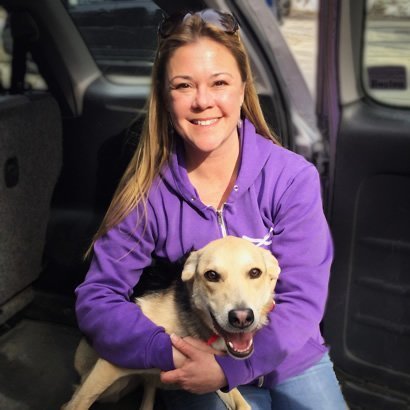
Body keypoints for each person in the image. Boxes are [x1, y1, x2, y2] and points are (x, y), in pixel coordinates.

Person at [75, 9, 346, 410]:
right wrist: (165, 350)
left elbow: (303, 299)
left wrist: (233, 368)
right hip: (194, 358)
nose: (203, 101)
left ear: (242, 88)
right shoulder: (148, 193)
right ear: (165, 97)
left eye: (219, 82)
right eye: (184, 85)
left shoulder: (291, 177)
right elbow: (98, 297)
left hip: (289, 357)